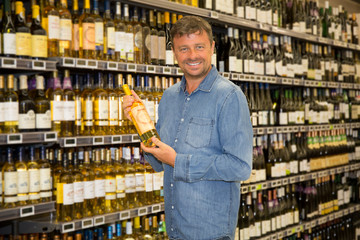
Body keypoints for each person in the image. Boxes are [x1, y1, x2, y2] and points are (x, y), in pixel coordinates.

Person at [123, 16, 252, 240]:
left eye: (199, 47)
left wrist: (178, 161)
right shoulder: (169, 97)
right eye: (184, 49)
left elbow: (240, 167)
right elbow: (158, 162)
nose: (192, 56)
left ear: (212, 47)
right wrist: (139, 119)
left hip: (210, 234)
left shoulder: (230, 97)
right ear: (175, 53)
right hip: (175, 231)